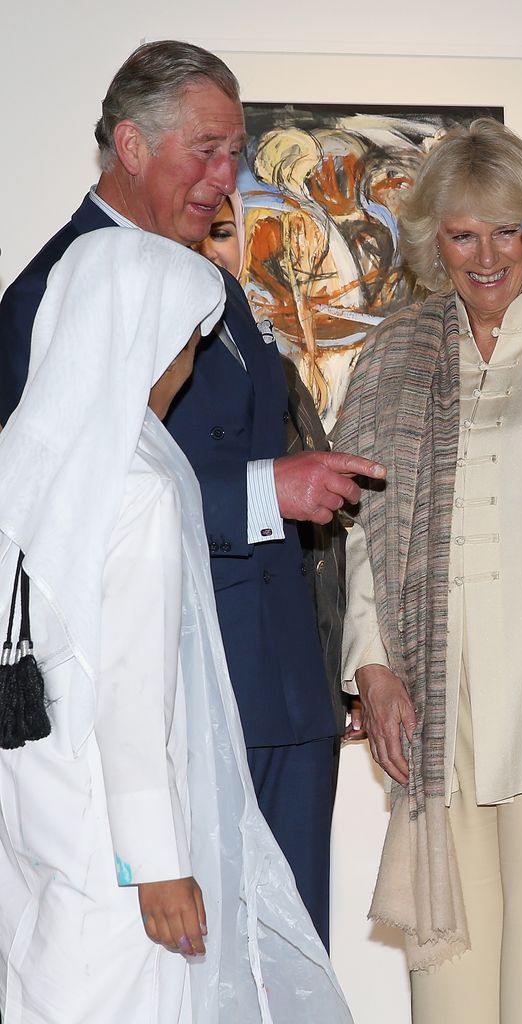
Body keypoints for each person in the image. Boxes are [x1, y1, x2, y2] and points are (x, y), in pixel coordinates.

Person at [0, 40, 384, 951]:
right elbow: (53, 512)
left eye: (234, 152)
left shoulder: (209, 277)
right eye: (204, 150)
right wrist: (264, 489)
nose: (226, 177)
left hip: (281, 686)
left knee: (290, 965)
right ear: (130, 147)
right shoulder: (54, 288)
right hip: (172, 700)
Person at [0, 228, 352, 1023]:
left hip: (34, 820)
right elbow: (131, 691)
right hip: (115, 846)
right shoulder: (141, 483)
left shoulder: (25, 458)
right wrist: (157, 865)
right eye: (186, 345)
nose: (187, 370)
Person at [333, 118, 522, 1023]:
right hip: (434, 721)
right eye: (463, 233)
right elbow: (361, 525)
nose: (487, 255)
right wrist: (372, 669)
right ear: (434, 241)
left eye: (509, 230)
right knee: (446, 997)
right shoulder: (394, 350)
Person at [194, 191, 354, 749]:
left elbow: (324, 543)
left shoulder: (277, 371)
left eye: (221, 232)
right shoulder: (147, 371)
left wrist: (342, 678)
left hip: (302, 686)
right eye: (197, 231)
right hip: (209, 685)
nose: (209, 250)